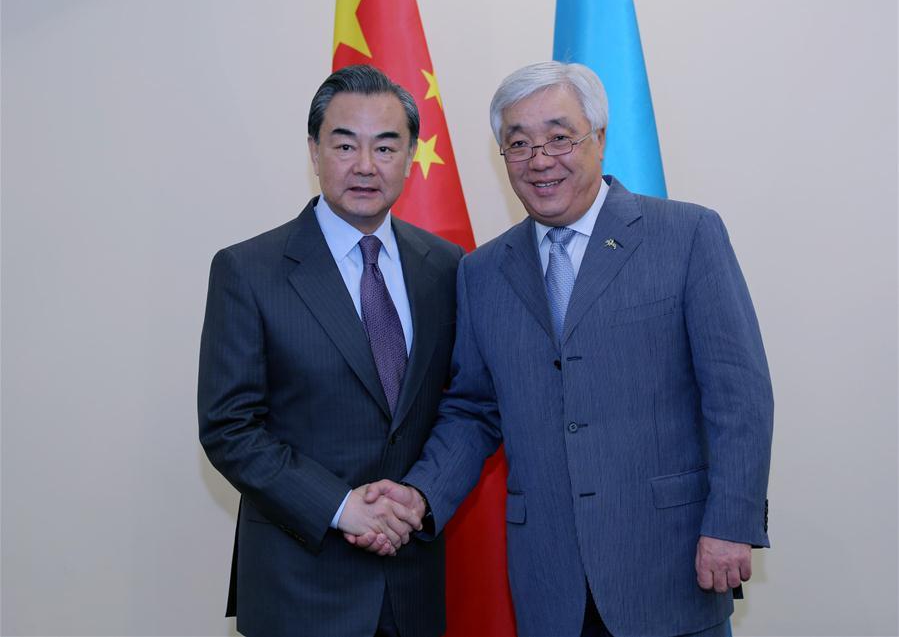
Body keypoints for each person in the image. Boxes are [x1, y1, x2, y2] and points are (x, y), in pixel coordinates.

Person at [354, 61, 773, 637]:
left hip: (671, 563)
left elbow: (739, 394)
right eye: (518, 143)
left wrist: (731, 521)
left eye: (559, 137)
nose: (540, 159)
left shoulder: (686, 236)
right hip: (549, 579)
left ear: (598, 139)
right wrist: (417, 496)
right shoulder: (481, 272)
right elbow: (475, 410)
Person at [198, 64, 463, 637]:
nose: (365, 165)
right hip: (302, 586)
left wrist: (420, 497)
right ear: (314, 150)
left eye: (386, 146)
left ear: (412, 155)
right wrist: (342, 506)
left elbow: (464, 405)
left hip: (413, 583)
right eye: (345, 144)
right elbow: (229, 427)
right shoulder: (248, 270)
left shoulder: (446, 267)